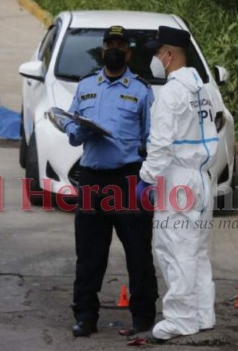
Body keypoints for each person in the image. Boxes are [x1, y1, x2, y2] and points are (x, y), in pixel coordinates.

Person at [64, 25, 158, 338]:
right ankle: (85, 317)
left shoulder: (142, 90)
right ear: (103, 50)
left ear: (128, 52)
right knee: (89, 255)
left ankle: (143, 316)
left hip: (128, 179)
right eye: (109, 44)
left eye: (120, 45)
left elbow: (150, 140)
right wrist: (79, 129)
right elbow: (73, 131)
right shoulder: (86, 86)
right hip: (92, 179)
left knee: (138, 252)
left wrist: (149, 180)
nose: (114, 49)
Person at [139, 26, 219, 341]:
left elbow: (160, 145)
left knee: (175, 249)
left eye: (158, 53)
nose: (155, 58)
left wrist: (146, 179)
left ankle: (181, 319)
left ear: (169, 55)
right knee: (196, 250)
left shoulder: (171, 93)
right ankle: (202, 313)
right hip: (202, 177)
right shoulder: (204, 89)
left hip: (178, 180)